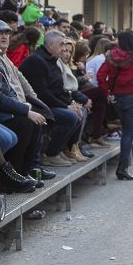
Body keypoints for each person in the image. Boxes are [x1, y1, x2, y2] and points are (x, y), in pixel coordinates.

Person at [0, 34, 44, 191]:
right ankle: (12, 177)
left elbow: (9, 92)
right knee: (25, 123)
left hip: (4, 109)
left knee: (35, 122)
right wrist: (24, 111)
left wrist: (23, 106)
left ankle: (23, 172)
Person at [19, 29, 87, 168]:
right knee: (70, 116)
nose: (64, 49)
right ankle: (51, 154)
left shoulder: (51, 60)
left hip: (50, 102)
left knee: (79, 111)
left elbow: (58, 89)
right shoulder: (37, 61)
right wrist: (66, 106)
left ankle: (60, 150)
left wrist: (71, 103)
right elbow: (42, 93)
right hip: (38, 105)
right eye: (61, 45)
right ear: (50, 45)